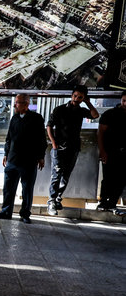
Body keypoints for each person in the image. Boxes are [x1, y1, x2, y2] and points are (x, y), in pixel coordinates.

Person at [0, 94, 46, 224]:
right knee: (8, 188)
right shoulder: (14, 118)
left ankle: (25, 214)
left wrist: (41, 157)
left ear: (26, 104)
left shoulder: (36, 118)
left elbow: (41, 139)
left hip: (29, 160)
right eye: (15, 102)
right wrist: (6, 153)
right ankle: (6, 211)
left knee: (27, 188)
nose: (15, 105)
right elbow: (9, 137)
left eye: (18, 102)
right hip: (12, 159)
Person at [46, 85, 99, 215]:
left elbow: (95, 115)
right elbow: (49, 126)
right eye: (75, 96)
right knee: (56, 174)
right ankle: (51, 200)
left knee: (66, 175)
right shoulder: (59, 109)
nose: (76, 99)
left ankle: (58, 198)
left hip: (73, 147)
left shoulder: (81, 111)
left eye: (80, 97)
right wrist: (53, 143)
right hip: (58, 147)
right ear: (71, 95)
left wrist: (88, 102)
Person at [97, 91, 126, 214]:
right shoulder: (110, 114)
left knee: (122, 179)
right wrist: (102, 151)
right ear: (120, 100)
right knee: (108, 177)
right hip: (110, 151)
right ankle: (103, 202)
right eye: (124, 100)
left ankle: (112, 203)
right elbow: (100, 133)